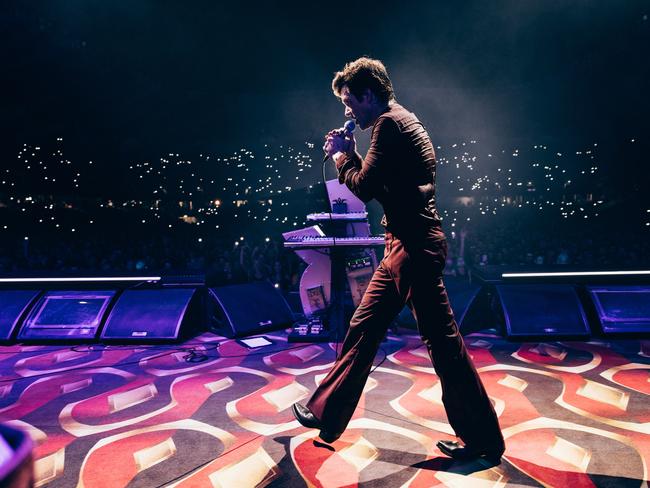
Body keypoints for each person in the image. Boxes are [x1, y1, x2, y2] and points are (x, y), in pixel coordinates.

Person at [291, 57, 505, 463]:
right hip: (401, 246)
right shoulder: (401, 120)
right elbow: (375, 178)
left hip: (414, 248)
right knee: (363, 326)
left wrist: (340, 157)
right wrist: (352, 154)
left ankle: (484, 440)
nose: (347, 111)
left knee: (444, 346)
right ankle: (326, 412)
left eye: (350, 101)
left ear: (369, 94)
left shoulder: (390, 124)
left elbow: (363, 187)